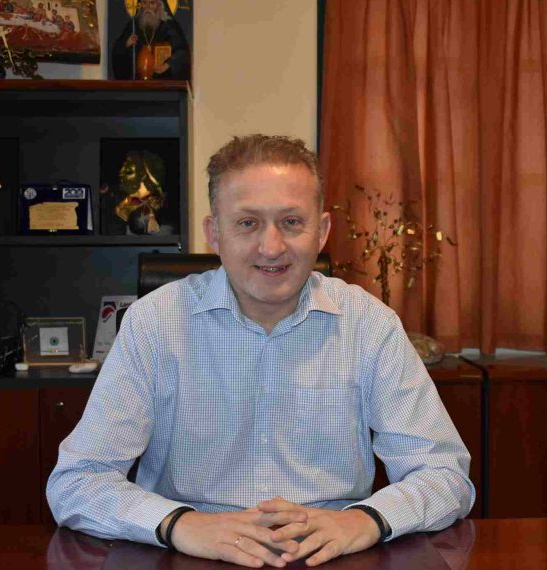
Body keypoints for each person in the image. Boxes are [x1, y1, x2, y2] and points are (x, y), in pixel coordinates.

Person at [47, 134, 474, 567]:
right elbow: (78, 482)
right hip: (191, 554)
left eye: (291, 222)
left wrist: (364, 520)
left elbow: (444, 475)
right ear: (214, 234)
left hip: (331, 554)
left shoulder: (369, 325)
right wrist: (179, 523)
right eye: (248, 223)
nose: (271, 247)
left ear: (322, 231)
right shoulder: (154, 324)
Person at [111, 0, 191, 80]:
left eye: (152, 3)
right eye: (144, 3)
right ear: (140, 6)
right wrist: (126, 44)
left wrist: (167, 65)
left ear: (159, 6)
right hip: (138, 83)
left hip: (163, 82)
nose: (148, 7)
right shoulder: (133, 27)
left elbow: (182, 52)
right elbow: (117, 51)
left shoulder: (168, 27)